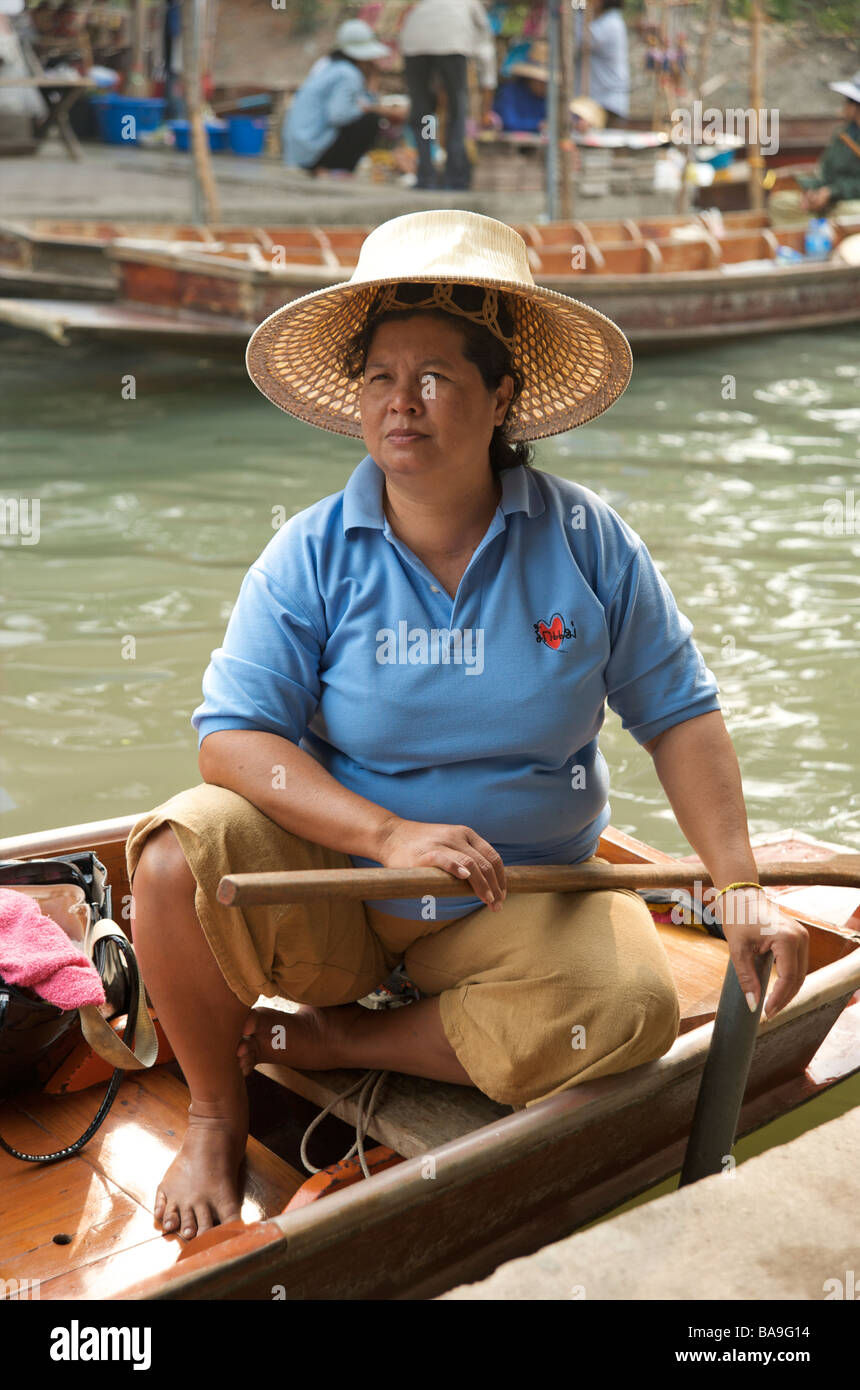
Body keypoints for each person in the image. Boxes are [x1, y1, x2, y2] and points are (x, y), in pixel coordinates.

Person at [128, 209, 809, 1242]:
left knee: (628, 1005)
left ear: (501, 398)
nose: (403, 402)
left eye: (437, 376)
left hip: (519, 895)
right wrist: (387, 836)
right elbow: (234, 743)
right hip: (344, 895)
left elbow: (677, 715)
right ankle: (218, 1113)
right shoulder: (310, 553)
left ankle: (329, 1043)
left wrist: (741, 884)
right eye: (380, 377)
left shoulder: (586, 541)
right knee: (172, 860)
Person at [283, 18, 402, 175]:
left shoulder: (326, 65)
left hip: (296, 152)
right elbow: (338, 115)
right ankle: (337, 170)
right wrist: (366, 108)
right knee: (370, 121)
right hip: (312, 153)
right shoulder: (349, 74)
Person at [399, 0, 496, 190]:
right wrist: (486, 106)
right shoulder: (473, 7)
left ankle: (426, 174)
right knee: (457, 110)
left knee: (423, 112)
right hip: (451, 45)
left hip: (413, 43)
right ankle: (455, 177)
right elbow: (487, 57)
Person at [768, 73, 860, 228]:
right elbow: (826, 172)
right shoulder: (843, 134)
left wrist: (833, 192)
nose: (845, 106)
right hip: (830, 201)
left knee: (849, 212)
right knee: (779, 204)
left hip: (848, 203)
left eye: (850, 102)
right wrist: (812, 191)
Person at [574, 0, 630, 127]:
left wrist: (577, 9)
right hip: (598, 102)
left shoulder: (611, 23)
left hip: (606, 104)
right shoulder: (606, 21)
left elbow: (578, 39)